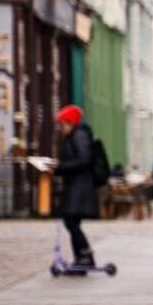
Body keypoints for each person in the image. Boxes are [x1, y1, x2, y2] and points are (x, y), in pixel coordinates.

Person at [54, 105, 100, 265]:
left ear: (70, 123)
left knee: (71, 221)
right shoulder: (73, 136)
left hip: (80, 187)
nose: (61, 128)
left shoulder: (79, 135)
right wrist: (58, 166)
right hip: (75, 186)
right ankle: (81, 257)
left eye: (62, 124)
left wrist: (60, 167)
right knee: (72, 221)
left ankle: (86, 255)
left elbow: (84, 159)